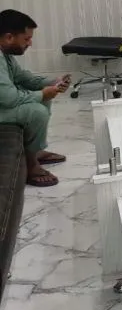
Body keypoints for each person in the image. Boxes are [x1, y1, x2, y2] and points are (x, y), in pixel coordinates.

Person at [0, 10, 71, 187]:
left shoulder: (5, 54)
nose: (30, 43)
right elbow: (8, 98)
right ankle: (31, 164)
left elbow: (23, 77)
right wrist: (42, 94)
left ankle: (35, 150)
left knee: (41, 98)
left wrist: (52, 82)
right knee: (36, 111)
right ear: (9, 37)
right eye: (26, 39)